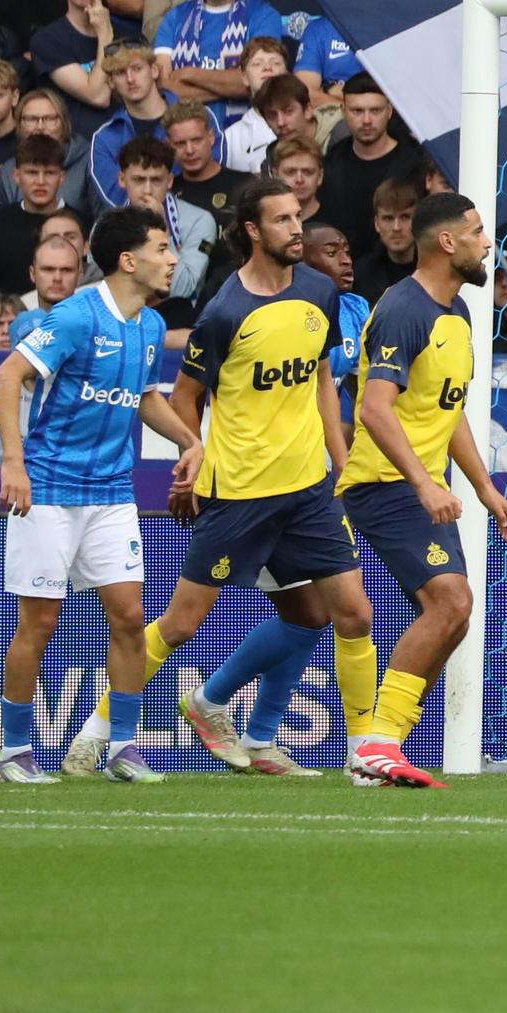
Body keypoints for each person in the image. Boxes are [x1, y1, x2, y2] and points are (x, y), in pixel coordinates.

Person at [141, 178, 365, 776]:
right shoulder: (223, 312)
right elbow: (184, 399)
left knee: (338, 614)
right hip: (238, 490)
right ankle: (98, 736)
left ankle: (353, 751)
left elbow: (321, 380)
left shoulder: (320, 293)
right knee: (182, 623)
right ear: (252, 231)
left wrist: (340, 463)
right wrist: (190, 467)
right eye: (283, 220)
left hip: (306, 489)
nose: (297, 228)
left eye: (299, 217)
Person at [0, 206, 199, 784]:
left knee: (130, 617)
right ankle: (13, 752)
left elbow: (146, 396)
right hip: (51, 488)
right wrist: (14, 463)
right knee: (41, 621)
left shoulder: (151, 326)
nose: (172, 258)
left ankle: (123, 749)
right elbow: (7, 377)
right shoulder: (78, 317)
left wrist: (189, 439)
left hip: (111, 491)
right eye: (162, 248)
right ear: (129, 260)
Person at [328, 185, 507, 789]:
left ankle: (379, 752)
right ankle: (377, 744)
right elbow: (376, 410)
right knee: (452, 603)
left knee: (453, 618)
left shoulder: (456, 312)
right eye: (479, 232)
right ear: (448, 240)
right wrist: (425, 484)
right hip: (384, 483)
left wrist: (482, 485)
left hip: (420, 485)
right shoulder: (404, 310)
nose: (489, 243)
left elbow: (446, 408)